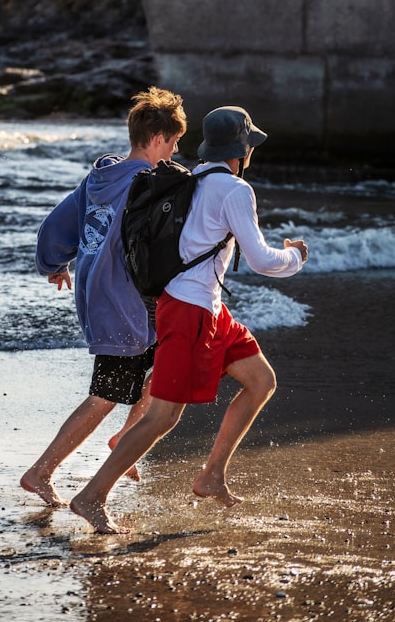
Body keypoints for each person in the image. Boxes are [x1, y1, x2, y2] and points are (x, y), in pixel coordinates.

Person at [68, 105, 308, 533]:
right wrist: (296, 255)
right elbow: (261, 260)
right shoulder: (235, 190)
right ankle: (92, 496)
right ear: (242, 149)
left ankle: (211, 476)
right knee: (163, 417)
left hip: (207, 307)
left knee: (261, 381)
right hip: (190, 311)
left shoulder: (190, 177)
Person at [20, 86, 187, 507]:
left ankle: (125, 439)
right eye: (173, 142)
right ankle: (40, 472)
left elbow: (56, 227)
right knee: (107, 394)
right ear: (155, 140)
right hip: (120, 302)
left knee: (165, 365)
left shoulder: (99, 177)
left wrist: (53, 265)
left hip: (110, 294)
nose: (174, 151)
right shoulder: (150, 185)